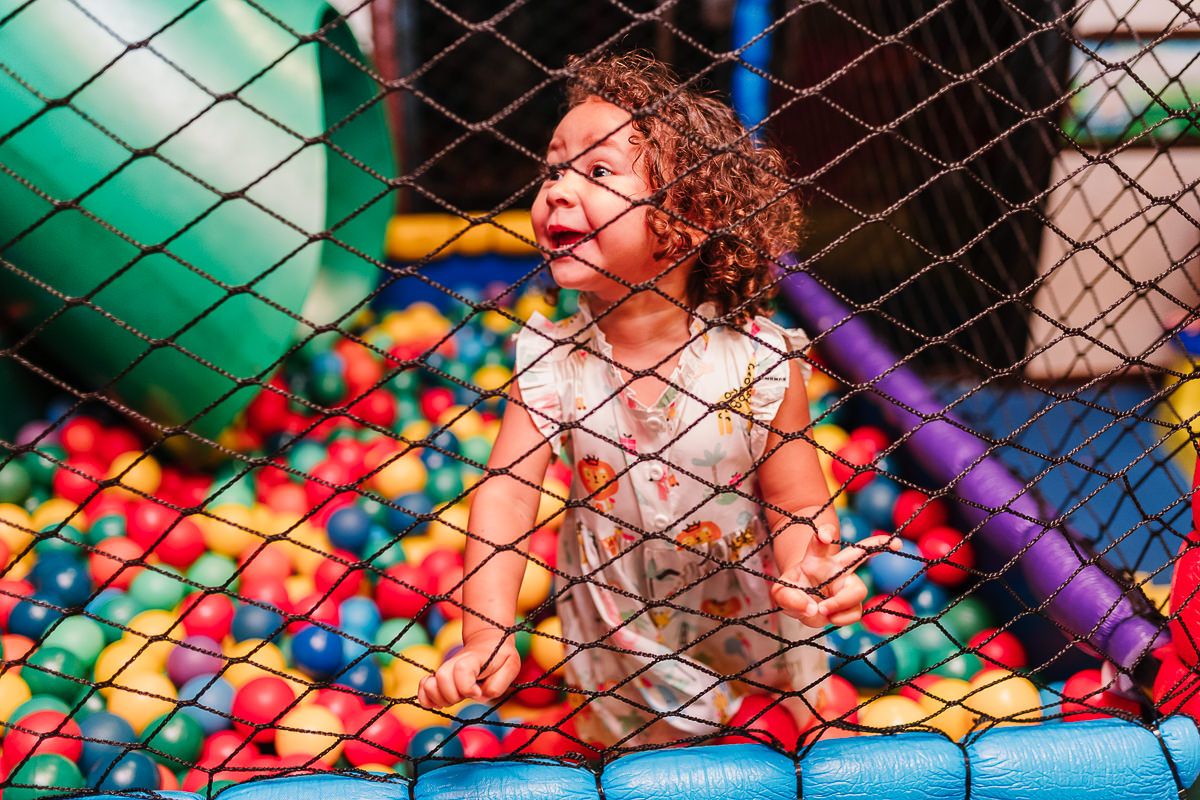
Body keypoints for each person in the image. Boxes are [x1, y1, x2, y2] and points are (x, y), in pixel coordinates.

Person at [417, 51, 894, 749]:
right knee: (629, 766)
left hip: (755, 633)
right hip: (618, 642)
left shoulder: (762, 362)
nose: (555, 189)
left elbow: (795, 500)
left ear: (688, 220)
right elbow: (507, 499)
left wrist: (811, 568)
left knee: (769, 756)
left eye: (598, 172)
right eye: (552, 169)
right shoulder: (551, 359)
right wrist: (485, 637)